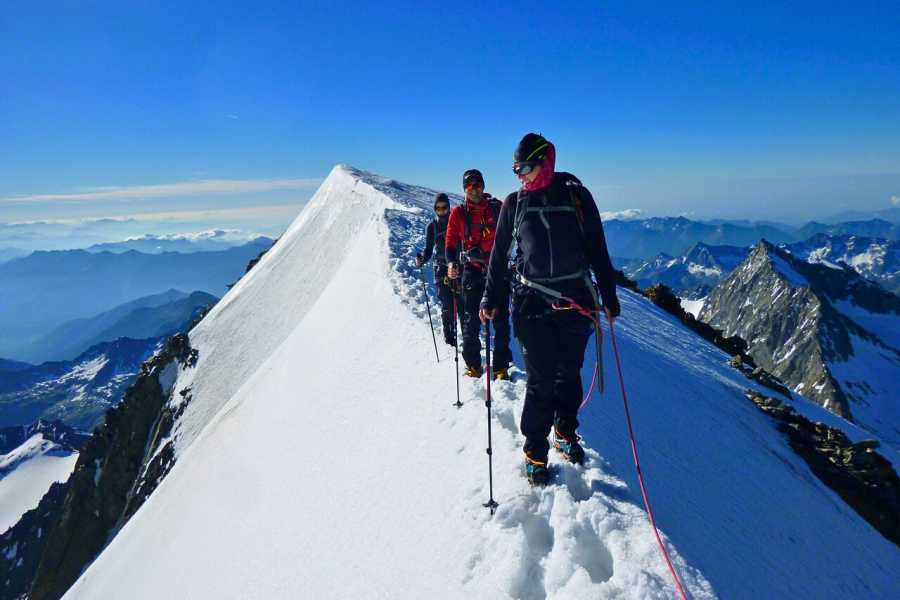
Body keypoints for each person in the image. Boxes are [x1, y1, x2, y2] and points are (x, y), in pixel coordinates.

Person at [480, 133, 620, 486]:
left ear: (546, 161)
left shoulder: (576, 196)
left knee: (569, 374)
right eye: (515, 169)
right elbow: (498, 259)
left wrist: (609, 296)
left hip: (577, 302)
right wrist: (490, 299)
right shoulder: (515, 204)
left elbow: (598, 250)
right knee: (541, 380)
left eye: (525, 167)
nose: (520, 176)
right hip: (531, 305)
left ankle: (565, 431)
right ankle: (535, 452)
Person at [445, 169, 512, 380]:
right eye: (469, 186)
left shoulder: (497, 208)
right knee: (471, 321)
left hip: (497, 270)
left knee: (501, 320)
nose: (474, 189)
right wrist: (451, 263)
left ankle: (501, 367)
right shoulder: (458, 213)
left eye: (477, 185)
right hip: (472, 271)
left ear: (483, 185)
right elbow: (450, 242)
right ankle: (473, 365)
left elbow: (511, 233)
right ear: (464, 189)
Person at [416, 193, 460, 346]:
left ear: (449, 207)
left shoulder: (456, 222)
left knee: (461, 303)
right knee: (447, 304)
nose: (441, 211)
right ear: (435, 209)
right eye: (438, 208)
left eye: (444, 207)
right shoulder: (432, 226)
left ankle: (466, 338)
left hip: (456, 267)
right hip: (441, 269)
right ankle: (449, 338)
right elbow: (429, 249)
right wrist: (422, 258)